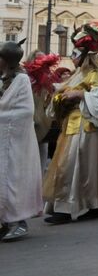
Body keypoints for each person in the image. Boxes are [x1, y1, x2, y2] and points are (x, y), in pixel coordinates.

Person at [42, 22, 98, 224]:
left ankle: (86, 206)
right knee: (70, 165)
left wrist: (80, 94)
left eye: (76, 53)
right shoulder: (76, 76)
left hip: (88, 127)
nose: (73, 57)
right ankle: (71, 206)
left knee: (85, 166)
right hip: (72, 126)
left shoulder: (96, 75)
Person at [0, 42, 43, 242]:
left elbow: (26, 111)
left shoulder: (22, 79)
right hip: (3, 140)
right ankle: (5, 221)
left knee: (15, 179)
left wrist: (3, 114)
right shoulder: (3, 79)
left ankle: (19, 221)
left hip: (16, 141)